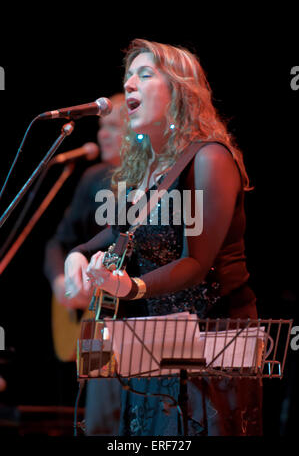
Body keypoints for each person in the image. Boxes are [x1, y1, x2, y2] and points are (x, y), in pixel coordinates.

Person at [64, 39, 263, 436]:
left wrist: (130, 286)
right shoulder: (150, 174)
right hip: (154, 353)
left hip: (210, 357)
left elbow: (196, 262)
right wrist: (77, 257)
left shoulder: (210, 157)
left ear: (178, 89)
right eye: (127, 76)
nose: (130, 85)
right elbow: (108, 235)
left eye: (144, 74)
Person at [43, 93, 126, 435]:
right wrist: (61, 281)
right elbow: (58, 241)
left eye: (113, 127)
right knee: (99, 423)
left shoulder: (161, 185)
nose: (101, 135)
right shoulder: (95, 178)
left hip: (141, 319)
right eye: (101, 128)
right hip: (97, 323)